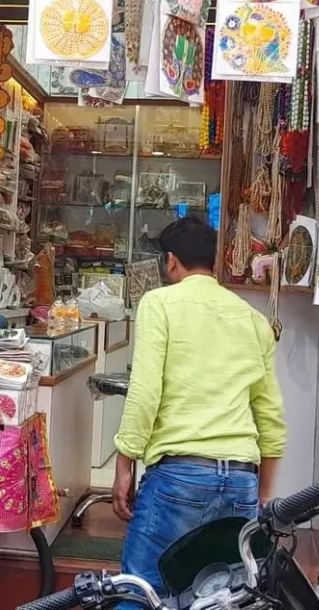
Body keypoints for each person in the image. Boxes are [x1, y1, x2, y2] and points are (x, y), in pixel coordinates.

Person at [112, 217, 286, 599]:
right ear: (216, 261)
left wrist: (124, 465)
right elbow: (270, 416)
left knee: (141, 593)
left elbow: (145, 392)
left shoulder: (159, 303)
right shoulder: (253, 320)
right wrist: (264, 494)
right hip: (241, 479)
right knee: (222, 599)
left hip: (179, 477)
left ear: (170, 261)